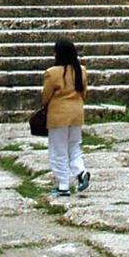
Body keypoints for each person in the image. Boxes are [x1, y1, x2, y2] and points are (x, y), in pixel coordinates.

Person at [41, 37, 89, 198]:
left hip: (58, 115)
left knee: (58, 150)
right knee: (75, 146)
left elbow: (46, 96)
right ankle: (81, 171)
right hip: (76, 112)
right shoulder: (81, 70)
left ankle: (63, 185)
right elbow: (84, 92)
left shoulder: (52, 73)